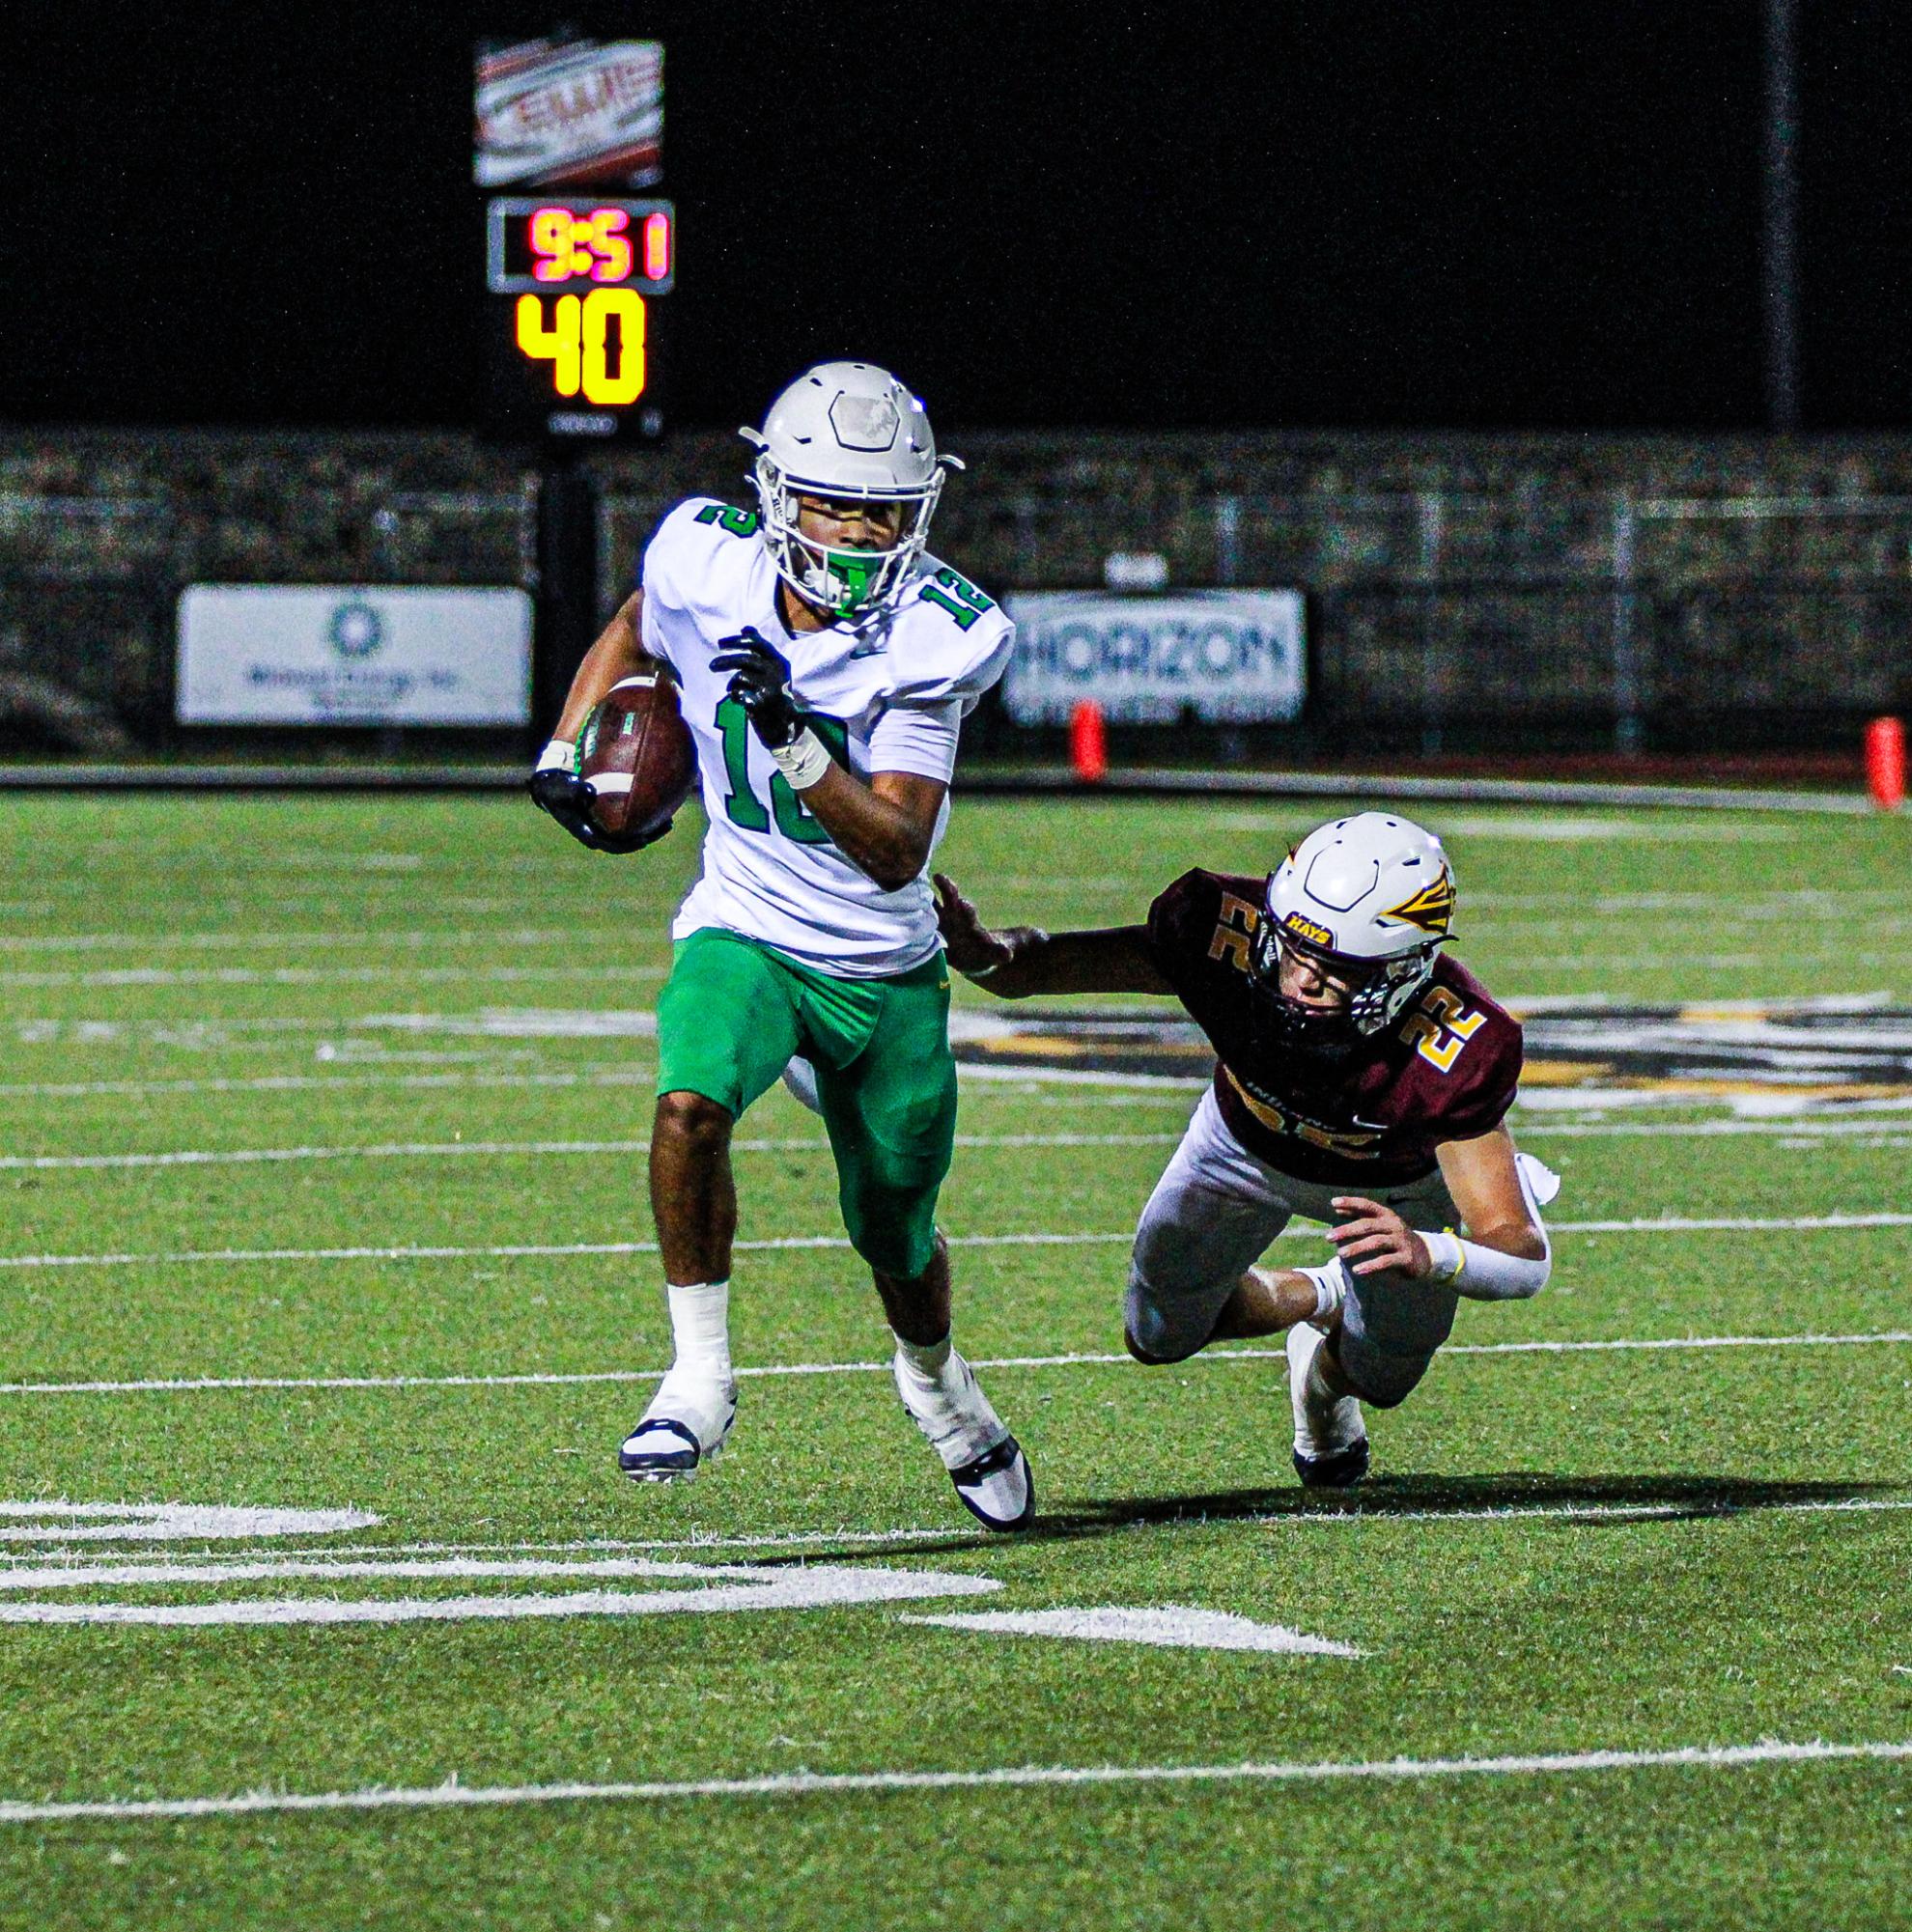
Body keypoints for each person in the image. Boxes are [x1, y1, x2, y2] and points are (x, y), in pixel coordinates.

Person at [528, 361, 1032, 1530]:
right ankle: (697, 1374)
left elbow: (899, 846)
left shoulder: (933, 633)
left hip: (879, 970)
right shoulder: (703, 555)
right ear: (776, 495)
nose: (864, 530)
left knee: (896, 1231)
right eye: (839, 503)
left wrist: (799, 745)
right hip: (746, 926)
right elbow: (634, 624)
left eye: (888, 510)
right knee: (687, 1105)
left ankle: (940, 1389)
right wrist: (568, 749)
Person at [934, 811, 1556, 1489]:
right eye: (1296, 948)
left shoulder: (1456, 1043)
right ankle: (1316, 1295)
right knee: (1156, 1333)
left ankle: (1321, 1385)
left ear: (1407, 969)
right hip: (1241, 1148)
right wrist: (987, 952)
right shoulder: (1221, 925)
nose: (1302, 979)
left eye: (1337, 968)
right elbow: (1047, 964)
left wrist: (1428, 1250)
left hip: (1393, 1196)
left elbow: (1519, 1252)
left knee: (1384, 1377)